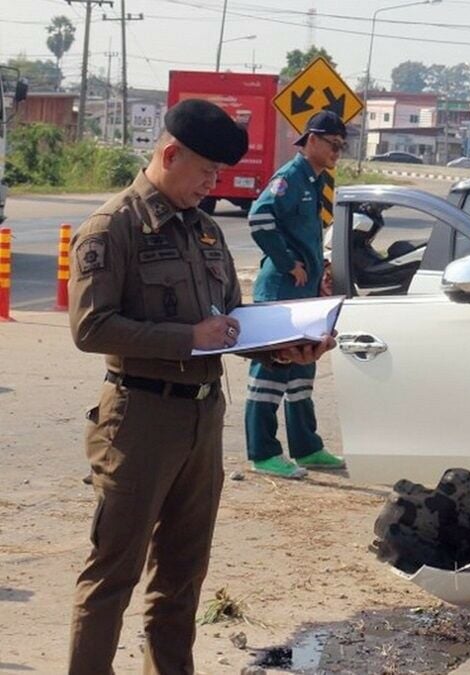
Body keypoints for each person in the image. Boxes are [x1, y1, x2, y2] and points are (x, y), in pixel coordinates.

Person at [67, 99, 335, 674]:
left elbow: (231, 322)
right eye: (206, 173)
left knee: (182, 578)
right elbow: (90, 327)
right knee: (112, 576)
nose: (213, 185)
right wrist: (187, 337)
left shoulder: (205, 231)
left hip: (201, 420)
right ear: (169, 155)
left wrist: (287, 344)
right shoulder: (113, 228)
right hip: (138, 420)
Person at [244, 110, 347, 478]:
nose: (337, 152)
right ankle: (263, 452)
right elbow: (259, 218)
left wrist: (318, 270)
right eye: (332, 145)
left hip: (304, 292)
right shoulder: (290, 177)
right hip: (281, 291)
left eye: (341, 146)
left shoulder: (315, 180)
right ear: (312, 140)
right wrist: (289, 263)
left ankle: (307, 448)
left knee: (303, 371)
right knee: (271, 373)